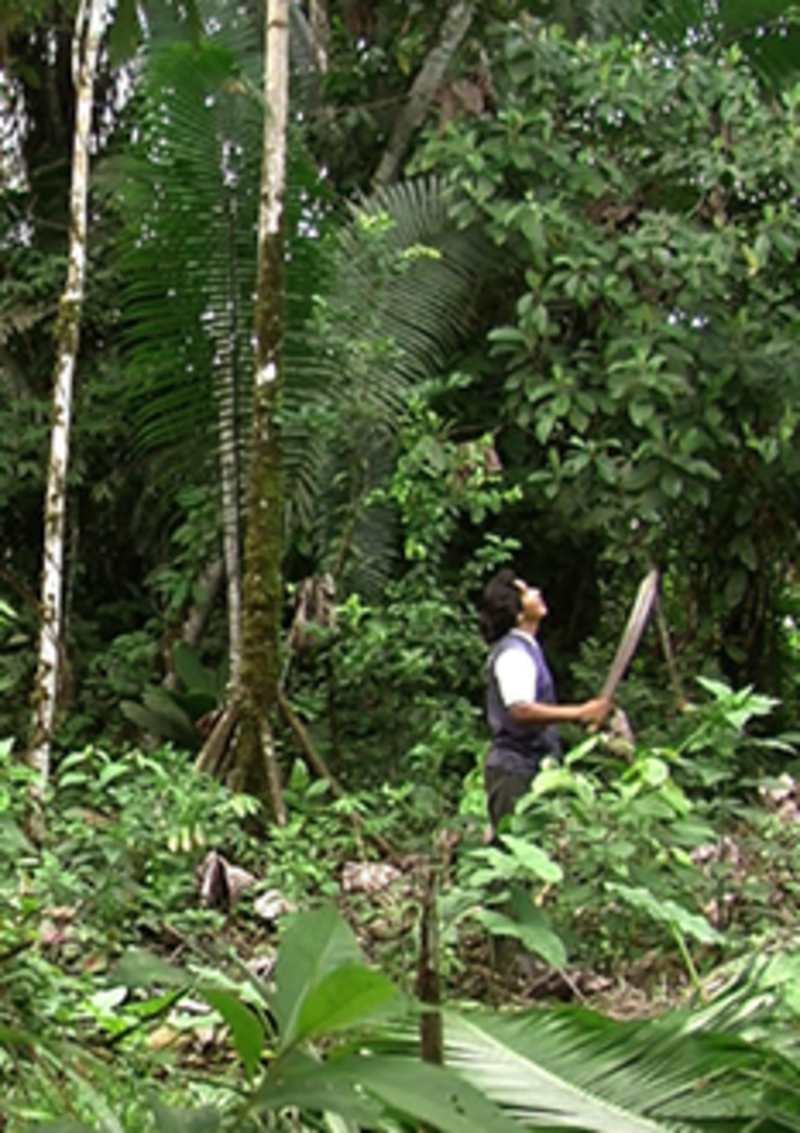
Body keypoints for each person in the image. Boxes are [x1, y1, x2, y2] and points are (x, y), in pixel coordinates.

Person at [479, 568, 611, 835]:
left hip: (529, 769)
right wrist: (580, 713)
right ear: (517, 612)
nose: (536, 592)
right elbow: (520, 710)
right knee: (513, 856)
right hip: (515, 772)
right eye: (526, 592)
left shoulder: (525, 649)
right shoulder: (514, 655)